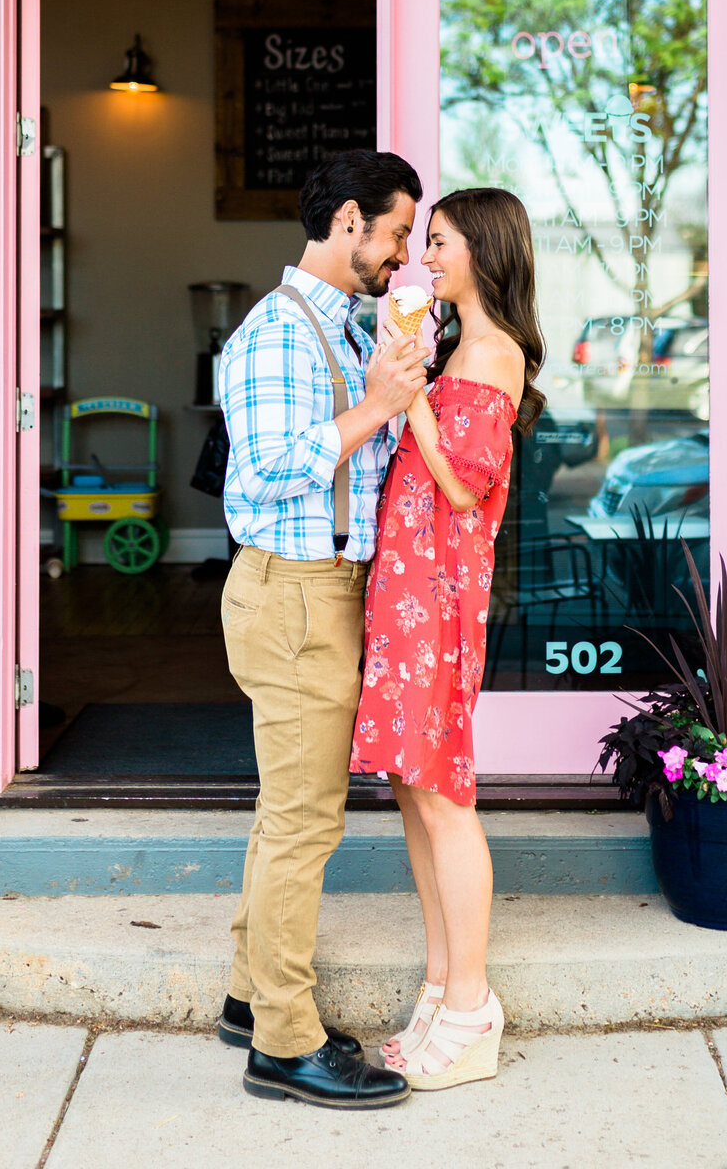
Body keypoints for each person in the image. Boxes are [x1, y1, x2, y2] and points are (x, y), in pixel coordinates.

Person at [216, 149, 429, 1110]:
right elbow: (264, 471)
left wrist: (393, 394)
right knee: (306, 823)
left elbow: (360, 458)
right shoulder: (277, 334)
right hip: (295, 593)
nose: (403, 256)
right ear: (349, 220)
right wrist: (378, 406)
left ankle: (249, 997)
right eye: (395, 234)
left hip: (321, 591)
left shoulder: (342, 330)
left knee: (285, 816)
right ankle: (285, 1046)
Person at [350, 187, 545, 1092]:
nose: (427, 257)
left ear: (484, 248)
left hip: (438, 592)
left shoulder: (494, 352)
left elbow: (466, 486)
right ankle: (438, 985)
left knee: (444, 796)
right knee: (412, 788)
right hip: (406, 587)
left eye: (440, 241)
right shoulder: (455, 343)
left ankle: (470, 1006)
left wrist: (412, 398)